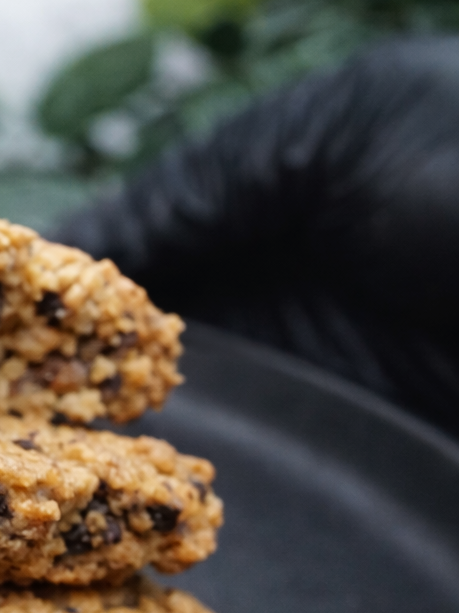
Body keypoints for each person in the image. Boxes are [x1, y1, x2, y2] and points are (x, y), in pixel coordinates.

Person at [53, 37, 459, 435]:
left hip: (392, 466)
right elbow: (177, 204)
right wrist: (40, 291)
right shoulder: (414, 100)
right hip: (182, 371)